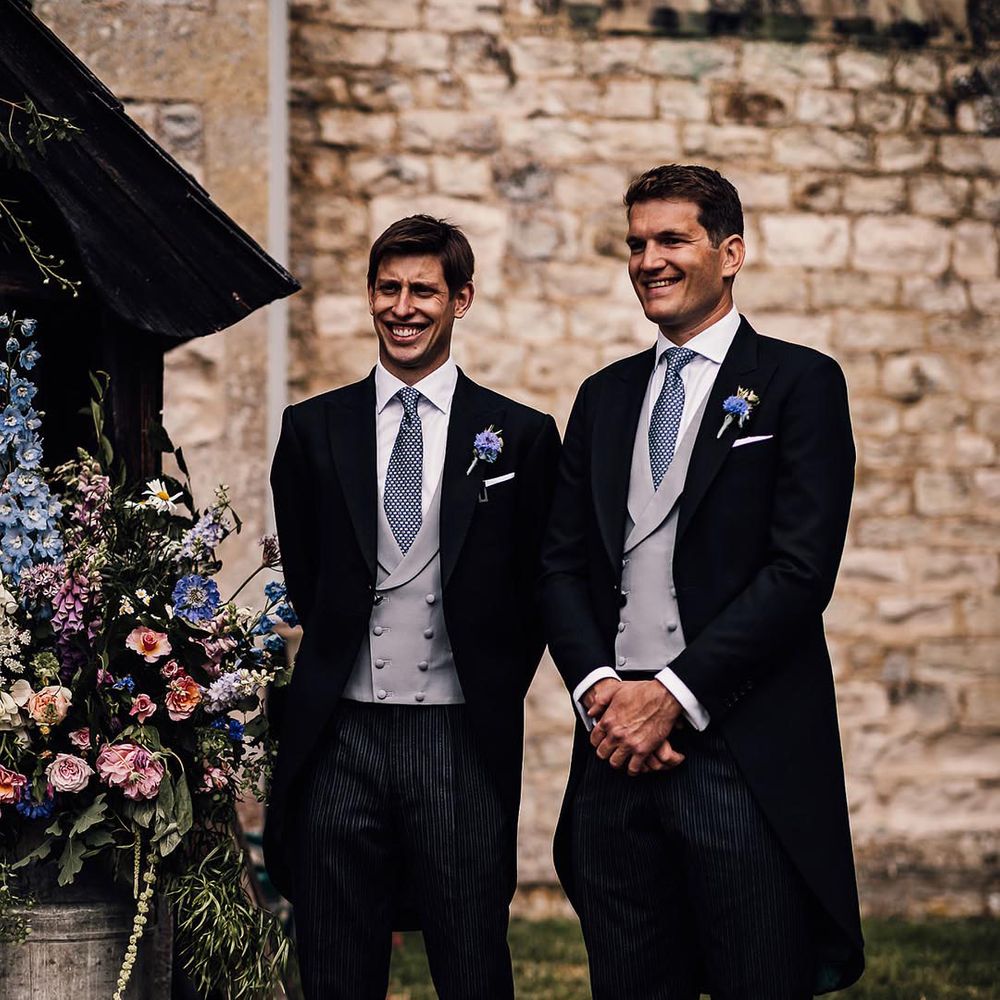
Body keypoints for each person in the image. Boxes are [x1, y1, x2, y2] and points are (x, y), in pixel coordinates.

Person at [540, 164, 865, 999]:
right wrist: (602, 690)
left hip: (740, 750)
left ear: (731, 252)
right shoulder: (604, 396)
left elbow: (799, 573)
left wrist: (674, 694)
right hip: (611, 748)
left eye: (672, 239)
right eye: (637, 243)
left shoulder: (799, 382)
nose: (649, 259)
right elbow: (561, 564)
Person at [264, 214, 560, 999]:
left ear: (460, 299)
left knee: (470, 961)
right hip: (340, 735)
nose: (404, 306)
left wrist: (486, 678)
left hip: (456, 735)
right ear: (369, 295)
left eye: (423, 289)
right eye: (388, 288)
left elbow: (537, 586)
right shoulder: (312, 429)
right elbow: (307, 572)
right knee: (332, 961)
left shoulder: (523, 437)